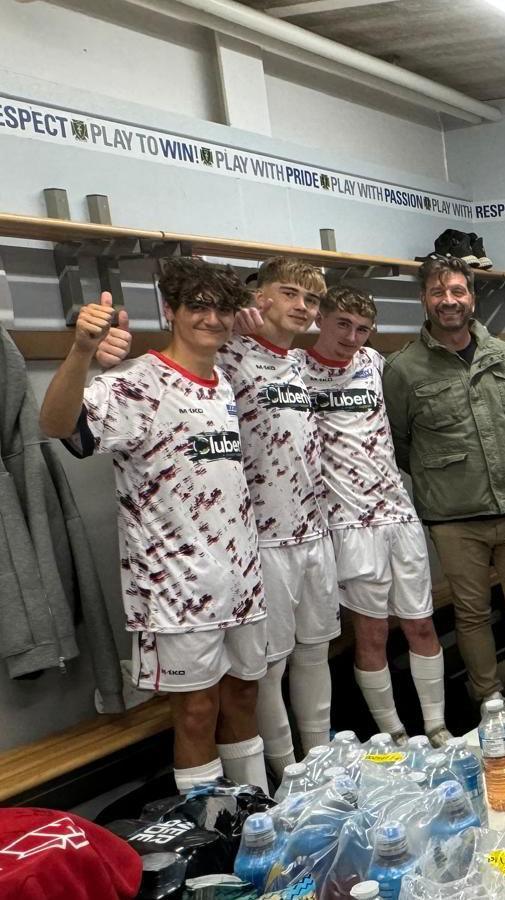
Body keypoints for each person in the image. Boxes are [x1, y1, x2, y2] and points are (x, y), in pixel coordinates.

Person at [39, 260, 269, 791]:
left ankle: (257, 815)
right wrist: (80, 352)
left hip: (240, 578)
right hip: (175, 590)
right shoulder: (138, 383)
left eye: (222, 308)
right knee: (195, 713)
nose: (211, 319)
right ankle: (212, 834)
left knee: (242, 697)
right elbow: (54, 425)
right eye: (197, 307)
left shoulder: (224, 381)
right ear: (170, 310)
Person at [384, 255, 505, 708]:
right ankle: (489, 697)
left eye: (457, 291)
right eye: (438, 293)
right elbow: (400, 445)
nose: (449, 301)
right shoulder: (403, 369)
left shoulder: (503, 353)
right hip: (455, 519)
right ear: (424, 301)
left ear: (471, 297)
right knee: (472, 615)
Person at [299, 286, 449, 746]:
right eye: (342, 324)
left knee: (421, 623)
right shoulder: (295, 371)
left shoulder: (373, 364)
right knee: (372, 632)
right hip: (347, 522)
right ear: (320, 320)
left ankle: (438, 726)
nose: (351, 337)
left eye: (362, 329)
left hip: (398, 515)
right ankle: (394, 733)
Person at [216, 258, 340, 775]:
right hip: (262, 541)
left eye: (310, 300)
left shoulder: (296, 362)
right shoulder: (227, 354)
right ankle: (287, 776)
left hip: (314, 529)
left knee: (315, 652)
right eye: (289, 293)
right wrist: (229, 321)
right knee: (270, 667)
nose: (302, 306)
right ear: (257, 296)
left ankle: (322, 764)